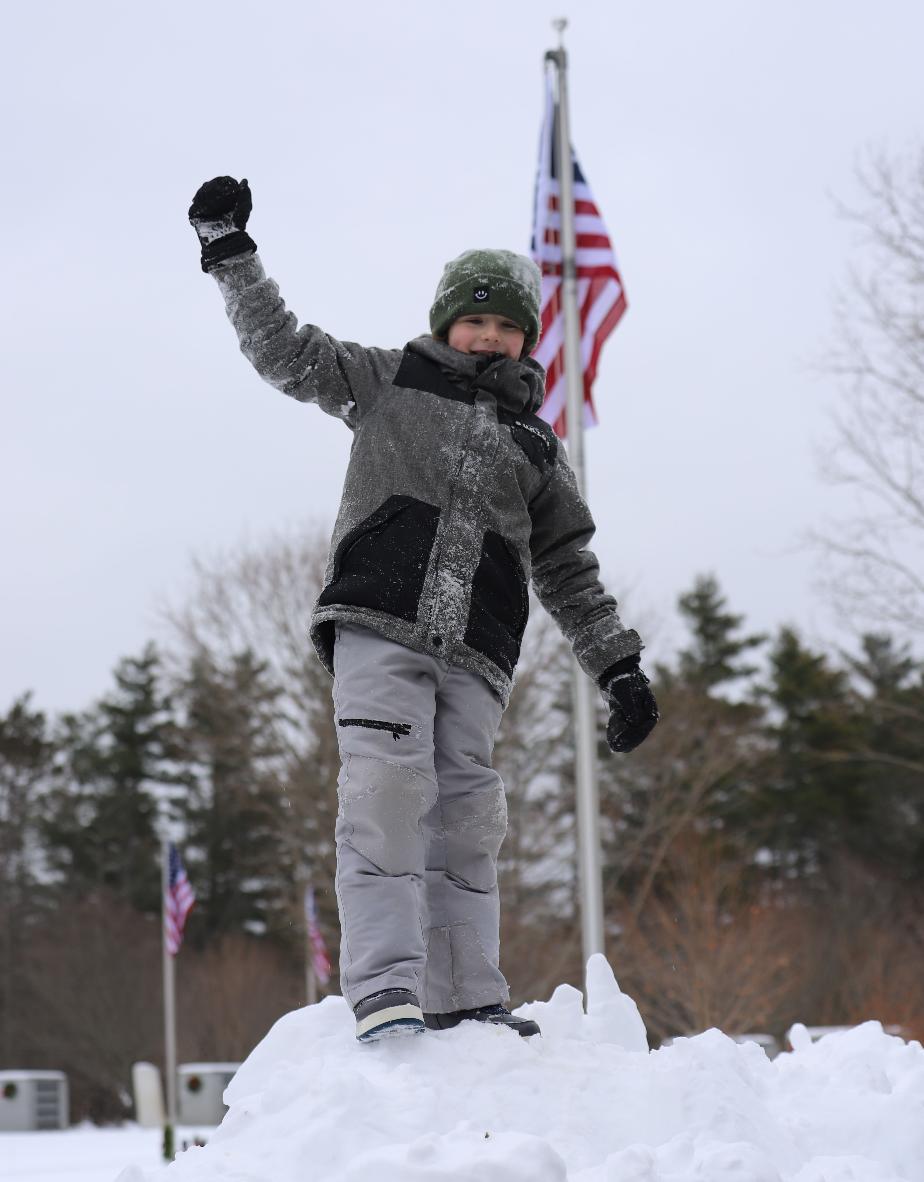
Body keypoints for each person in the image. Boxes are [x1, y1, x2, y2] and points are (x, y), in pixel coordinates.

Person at [188, 176, 660, 1043]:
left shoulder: (537, 446)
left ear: (528, 337)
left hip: (477, 656)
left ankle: (467, 996)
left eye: (507, 323)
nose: (489, 336)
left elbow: (567, 566)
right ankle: (387, 990)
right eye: (474, 320)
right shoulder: (385, 382)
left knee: (470, 822)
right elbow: (285, 351)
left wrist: (618, 666)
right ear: (447, 323)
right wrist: (231, 254)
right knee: (388, 797)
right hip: (381, 624)